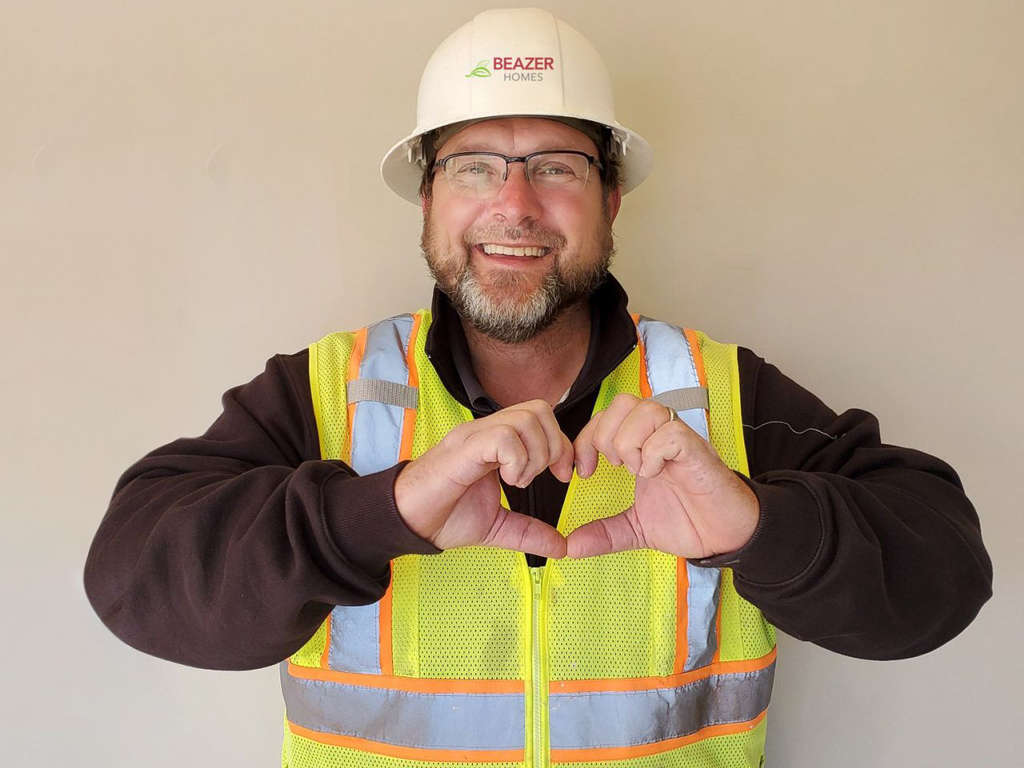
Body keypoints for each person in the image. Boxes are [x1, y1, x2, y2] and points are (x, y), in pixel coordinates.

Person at [84, 8, 992, 767]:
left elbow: (944, 579)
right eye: (474, 166)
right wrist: (380, 512)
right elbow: (133, 580)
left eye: (557, 167)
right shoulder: (324, 391)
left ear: (612, 201)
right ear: (429, 200)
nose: (514, 206)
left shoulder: (718, 392)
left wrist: (757, 525)